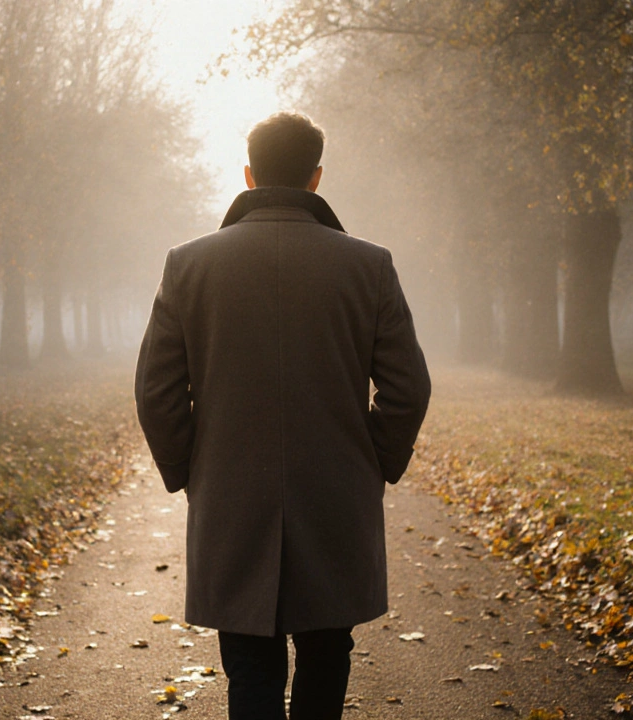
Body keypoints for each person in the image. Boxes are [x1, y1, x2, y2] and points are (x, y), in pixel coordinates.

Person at [134, 111, 431, 720]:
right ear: (316, 178)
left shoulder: (187, 265)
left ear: (248, 174)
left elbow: (156, 392)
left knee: (248, 667)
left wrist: (191, 470)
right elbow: (408, 388)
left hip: (230, 498)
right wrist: (373, 461)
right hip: (335, 498)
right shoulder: (368, 265)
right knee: (327, 657)